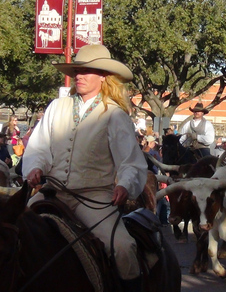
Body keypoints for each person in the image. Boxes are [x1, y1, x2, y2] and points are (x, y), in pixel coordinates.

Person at [22, 44, 147, 291]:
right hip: (52, 194)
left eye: (86, 71)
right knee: (13, 230)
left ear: (103, 77)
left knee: (123, 248)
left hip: (93, 198)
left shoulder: (114, 115)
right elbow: (39, 147)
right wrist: (35, 167)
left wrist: (124, 184)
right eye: (77, 70)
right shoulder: (57, 107)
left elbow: (131, 161)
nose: (78, 75)